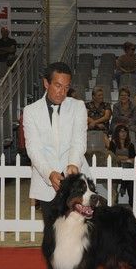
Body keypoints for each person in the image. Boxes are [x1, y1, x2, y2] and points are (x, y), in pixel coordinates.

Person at [22, 62, 90, 211]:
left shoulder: (78, 107)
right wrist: (49, 173)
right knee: (51, 233)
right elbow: (33, 149)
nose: (62, 92)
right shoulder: (30, 111)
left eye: (66, 87)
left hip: (76, 185)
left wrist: (73, 164)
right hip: (46, 186)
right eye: (58, 86)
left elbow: (79, 141)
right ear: (46, 83)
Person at [108, 124, 136, 206]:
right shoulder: (113, 143)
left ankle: (132, 203)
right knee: (128, 167)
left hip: (127, 168)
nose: (123, 133)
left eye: (125, 131)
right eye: (121, 131)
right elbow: (112, 157)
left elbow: (134, 159)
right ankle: (123, 187)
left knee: (130, 177)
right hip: (116, 167)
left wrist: (123, 159)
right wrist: (126, 158)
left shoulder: (130, 145)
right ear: (117, 133)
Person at [110, 86, 136, 150]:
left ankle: (135, 150)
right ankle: (114, 150)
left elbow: (135, 118)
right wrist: (126, 119)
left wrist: (124, 121)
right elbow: (116, 117)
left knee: (133, 128)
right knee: (116, 128)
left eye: (125, 95)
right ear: (119, 96)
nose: (123, 97)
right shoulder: (116, 105)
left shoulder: (134, 106)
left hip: (131, 124)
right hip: (117, 124)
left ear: (129, 96)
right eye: (121, 95)